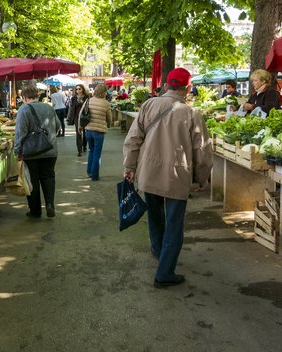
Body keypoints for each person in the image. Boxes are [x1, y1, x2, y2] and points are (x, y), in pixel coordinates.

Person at [123, 67, 213, 288]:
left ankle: (158, 249)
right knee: (174, 224)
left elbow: (133, 139)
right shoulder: (192, 113)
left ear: (165, 86)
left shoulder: (148, 105)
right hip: (176, 175)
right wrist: (202, 178)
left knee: (155, 216)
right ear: (188, 88)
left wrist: (129, 167)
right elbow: (202, 150)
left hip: (149, 172)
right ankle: (164, 273)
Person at [14, 85, 61, 219]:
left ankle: (35, 211)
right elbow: (57, 126)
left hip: (31, 152)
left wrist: (17, 151)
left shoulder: (24, 109)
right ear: (37, 95)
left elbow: (20, 133)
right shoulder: (48, 107)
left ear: (24, 97)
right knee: (48, 177)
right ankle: (50, 205)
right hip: (50, 149)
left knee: (32, 180)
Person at [78, 83, 111, 181]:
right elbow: (109, 118)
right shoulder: (106, 103)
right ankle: (95, 175)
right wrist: (108, 125)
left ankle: (89, 172)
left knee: (91, 151)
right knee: (97, 153)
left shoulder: (89, 100)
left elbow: (81, 113)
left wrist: (80, 126)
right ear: (104, 92)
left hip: (88, 130)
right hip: (99, 132)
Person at [68, 84, 88, 156]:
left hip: (85, 117)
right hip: (77, 117)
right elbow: (71, 108)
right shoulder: (73, 98)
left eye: (79, 89)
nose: (78, 90)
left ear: (82, 89)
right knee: (78, 133)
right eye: (76, 89)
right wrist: (70, 118)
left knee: (85, 133)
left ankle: (84, 145)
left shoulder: (87, 97)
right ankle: (79, 150)